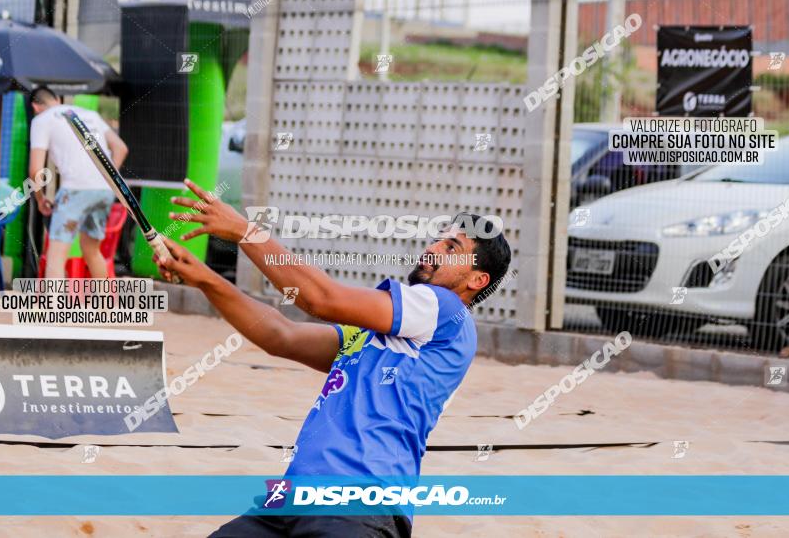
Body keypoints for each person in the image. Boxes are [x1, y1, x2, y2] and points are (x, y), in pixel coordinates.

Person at [155, 179, 512, 538]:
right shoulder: (378, 334)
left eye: (452, 248)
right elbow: (281, 336)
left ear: (478, 280)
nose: (433, 248)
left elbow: (320, 299)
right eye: (438, 239)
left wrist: (245, 232)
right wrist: (205, 279)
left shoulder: (444, 309)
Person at [27, 87, 129, 278]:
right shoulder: (89, 114)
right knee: (92, 251)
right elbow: (121, 148)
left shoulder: (42, 120)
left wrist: (40, 199)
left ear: (35, 107)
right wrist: (106, 178)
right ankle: (105, 308)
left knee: (56, 255)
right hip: (103, 191)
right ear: (57, 99)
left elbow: (35, 170)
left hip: (75, 190)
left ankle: (55, 308)